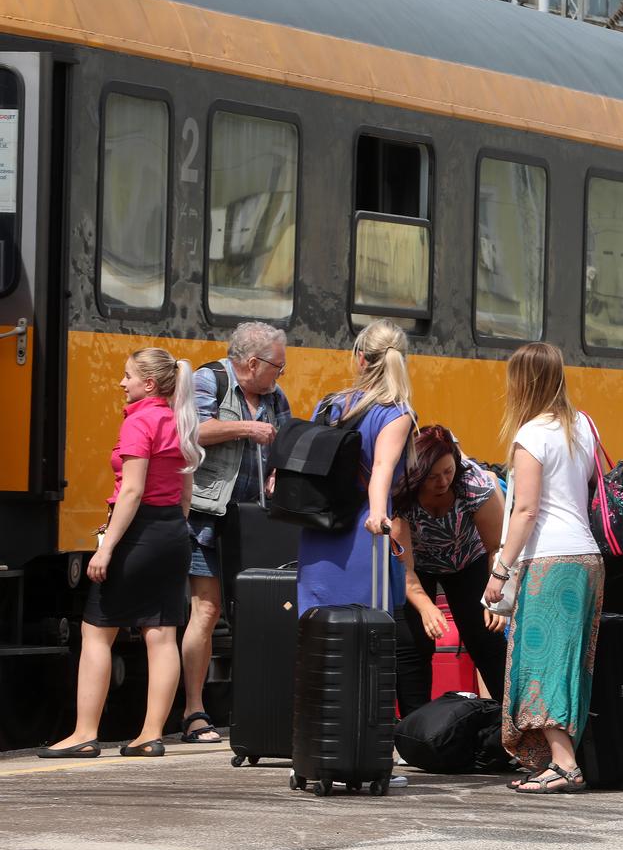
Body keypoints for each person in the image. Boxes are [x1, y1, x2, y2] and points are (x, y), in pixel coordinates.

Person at [40, 349, 203, 758]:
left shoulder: (140, 421)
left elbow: (131, 490)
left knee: (97, 631)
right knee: (161, 634)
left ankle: (84, 734)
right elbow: (186, 492)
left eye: (127, 376)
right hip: (172, 531)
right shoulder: (180, 420)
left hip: (137, 531)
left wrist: (107, 547)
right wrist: (172, 529)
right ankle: (151, 735)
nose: (121, 383)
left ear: (149, 383)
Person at [486, 342, 604, 795]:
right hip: (587, 559)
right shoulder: (584, 427)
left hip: (550, 561)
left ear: (523, 382)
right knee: (570, 663)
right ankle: (553, 760)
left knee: (542, 664)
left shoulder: (532, 435)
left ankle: (565, 764)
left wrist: (500, 570)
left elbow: (527, 510)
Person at [180, 321, 292, 745]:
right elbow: (191, 430)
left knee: (256, 612)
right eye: (277, 366)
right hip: (208, 515)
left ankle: (255, 709)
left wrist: (278, 471)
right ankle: (194, 712)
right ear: (253, 362)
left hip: (252, 521)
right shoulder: (209, 380)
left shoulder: (275, 396)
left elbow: (284, 443)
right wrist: (247, 428)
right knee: (207, 610)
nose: (280, 374)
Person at [297, 319, 416, 616]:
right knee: (363, 624)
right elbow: (382, 467)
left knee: (316, 624)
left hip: (319, 527)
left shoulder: (329, 405)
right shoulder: (396, 413)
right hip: (362, 531)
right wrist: (378, 513)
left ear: (361, 359)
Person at [392, 425, 508, 716]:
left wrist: (498, 595)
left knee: (485, 638)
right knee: (413, 643)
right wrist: (426, 607)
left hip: (469, 560)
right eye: (433, 477)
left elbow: (496, 548)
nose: (443, 481)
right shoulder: (401, 491)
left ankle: (511, 722)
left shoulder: (473, 484)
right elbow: (404, 568)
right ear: (418, 474)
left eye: (448, 471)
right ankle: (415, 726)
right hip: (419, 567)